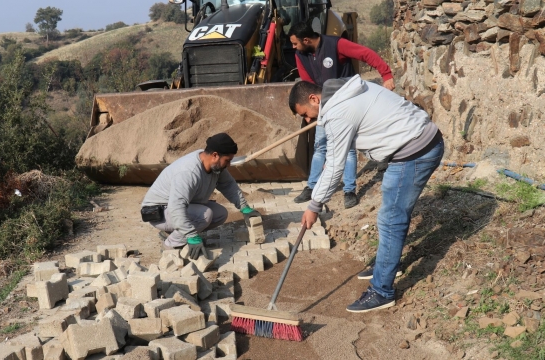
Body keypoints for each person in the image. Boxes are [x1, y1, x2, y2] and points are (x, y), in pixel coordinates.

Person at [289, 76, 444, 312]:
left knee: (391, 219)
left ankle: (382, 291)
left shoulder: (338, 111)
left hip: (415, 151)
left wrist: (315, 204)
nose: (308, 120)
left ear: (314, 98)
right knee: (389, 215)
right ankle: (388, 265)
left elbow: (334, 166)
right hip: (420, 141)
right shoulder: (350, 89)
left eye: (305, 114)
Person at [288, 22, 395, 208]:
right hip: (323, 106)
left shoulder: (336, 44)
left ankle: (349, 189)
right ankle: (312, 186)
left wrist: (386, 74)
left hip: (347, 104)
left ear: (306, 40)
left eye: (295, 43)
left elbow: (365, 54)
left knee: (349, 148)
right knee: (320, 145)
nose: (293, 47)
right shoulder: (300, 55)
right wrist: (314, 109)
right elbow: (307, 83)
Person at [141, 133, 261, 260]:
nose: (229, 165)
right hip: (158, 212)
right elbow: (176, 207)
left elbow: (228, 185)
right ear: (215, 155)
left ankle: (175, 233)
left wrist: (244, 208)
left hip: (176, 208)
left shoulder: (213, 164)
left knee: (220, 213)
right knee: (205, 215)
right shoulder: (189, 172)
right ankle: (170, 246)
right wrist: (191, 235)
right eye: (227, 160)